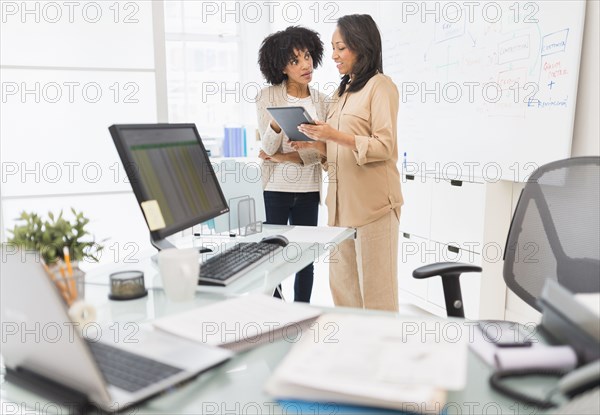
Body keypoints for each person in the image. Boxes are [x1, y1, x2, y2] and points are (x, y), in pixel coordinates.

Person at [294, 15, 403, 312]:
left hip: (374, 209)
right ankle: (354, 356)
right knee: (344, 296)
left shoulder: (381, 87)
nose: (334, 56)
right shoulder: (340, 92)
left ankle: (382, 356)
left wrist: (335, 136)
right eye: (333, 48)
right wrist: (316, 143)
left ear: (361, 46)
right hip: (339, 211)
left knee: (377, 297)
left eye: (341, 48)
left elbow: (384, 145)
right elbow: (335, 155)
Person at [255, 26, 328, 303]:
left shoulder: (322, 100)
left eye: (308, 56)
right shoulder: (267, 97)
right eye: (295, 60)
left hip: (309, 190)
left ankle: (301, 312)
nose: (305, 64)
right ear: (281, 67)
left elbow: (322, 154)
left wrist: (287, 157)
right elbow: (267, 148)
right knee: (272, 257)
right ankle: (275, 312)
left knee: (306, 258)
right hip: (274, 189)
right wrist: (276, 122)